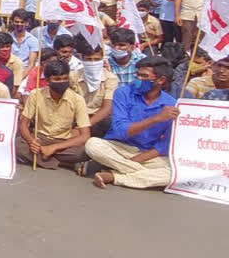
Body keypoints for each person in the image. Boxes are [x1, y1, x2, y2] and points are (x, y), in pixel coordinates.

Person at [84, 57, 177, 190]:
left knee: (172, 172)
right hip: (118, 146)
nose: (138, 79)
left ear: (161, 80)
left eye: (144, 76)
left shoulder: (171, 104)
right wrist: (155, 118)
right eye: (137, 75)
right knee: (92, 144)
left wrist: (139, 158)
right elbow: (121, 130)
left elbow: (165, 144)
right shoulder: (123, 93)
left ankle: (113, 176)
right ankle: (135, 175)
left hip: (146, 153)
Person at [16, 60, 90, 169]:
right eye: (57, 79)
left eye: (65, 78)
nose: (62, 82)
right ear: (47, 80)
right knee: (17, 144)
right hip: (40, 138)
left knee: (85, 152)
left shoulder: (77, 99)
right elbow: (23, 124)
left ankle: (43, 158)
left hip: (64, 142)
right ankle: (64, 164)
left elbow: (85, 135)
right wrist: (32, 142)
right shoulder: (36, 94)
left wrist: (54, 147)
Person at [74, 35, 119, 137]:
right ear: (83, 59)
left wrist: (85, 125)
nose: (93, 62)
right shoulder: (74, 76)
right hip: (76, 117)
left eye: (96, 59)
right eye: (89, 59)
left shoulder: (110, 78)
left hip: (97, 119)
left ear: (102, 59)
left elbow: (107, 108)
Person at [10, 9, 39, 74]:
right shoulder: (8, 38)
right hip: (10, 71)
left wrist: (20, 79)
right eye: (16, 22)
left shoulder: (33, 40)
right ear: (12, 22)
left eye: (22, 22)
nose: (19, 24)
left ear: (27, 23)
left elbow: (31, 64)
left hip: (25, 72)